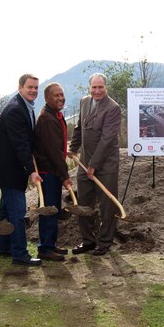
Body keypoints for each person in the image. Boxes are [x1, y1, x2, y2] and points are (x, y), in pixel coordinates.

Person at [68, 73, 122, 256]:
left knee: (107, 205)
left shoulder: (113, 108)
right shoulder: (84, 102)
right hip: (85, 163)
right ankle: (88, 241)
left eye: (101, 87)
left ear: (106, 88)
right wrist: (73, 148)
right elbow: (79, 128)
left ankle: (105, 242)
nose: (97, 91)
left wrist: (94, 165)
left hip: (106, 164)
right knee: (84, 203)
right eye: (94, 87)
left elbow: (107, 140)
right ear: (89, 88)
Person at [0, 74, 42, 266]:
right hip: (10, 168)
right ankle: (20, 253)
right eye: (30, 87)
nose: (33, 91)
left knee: (6, 210)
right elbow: (20, 144)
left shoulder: (24, 107)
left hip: (9, 167)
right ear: (20, 87)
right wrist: (31, 170)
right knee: (17, 212)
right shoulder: (15, 110)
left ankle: (3, 247)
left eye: (36, 88)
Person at [33, 82, 72, 261]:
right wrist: (65, 175)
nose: (60, 98)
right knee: (49, 210)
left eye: (61, 94)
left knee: (54, 209)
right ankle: (45, 249)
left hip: (53, 171)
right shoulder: (47, 119)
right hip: (48, 172)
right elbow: (54, 152)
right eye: (56, 95)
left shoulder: (55, 115)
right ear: (47, 98)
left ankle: (51, 244)